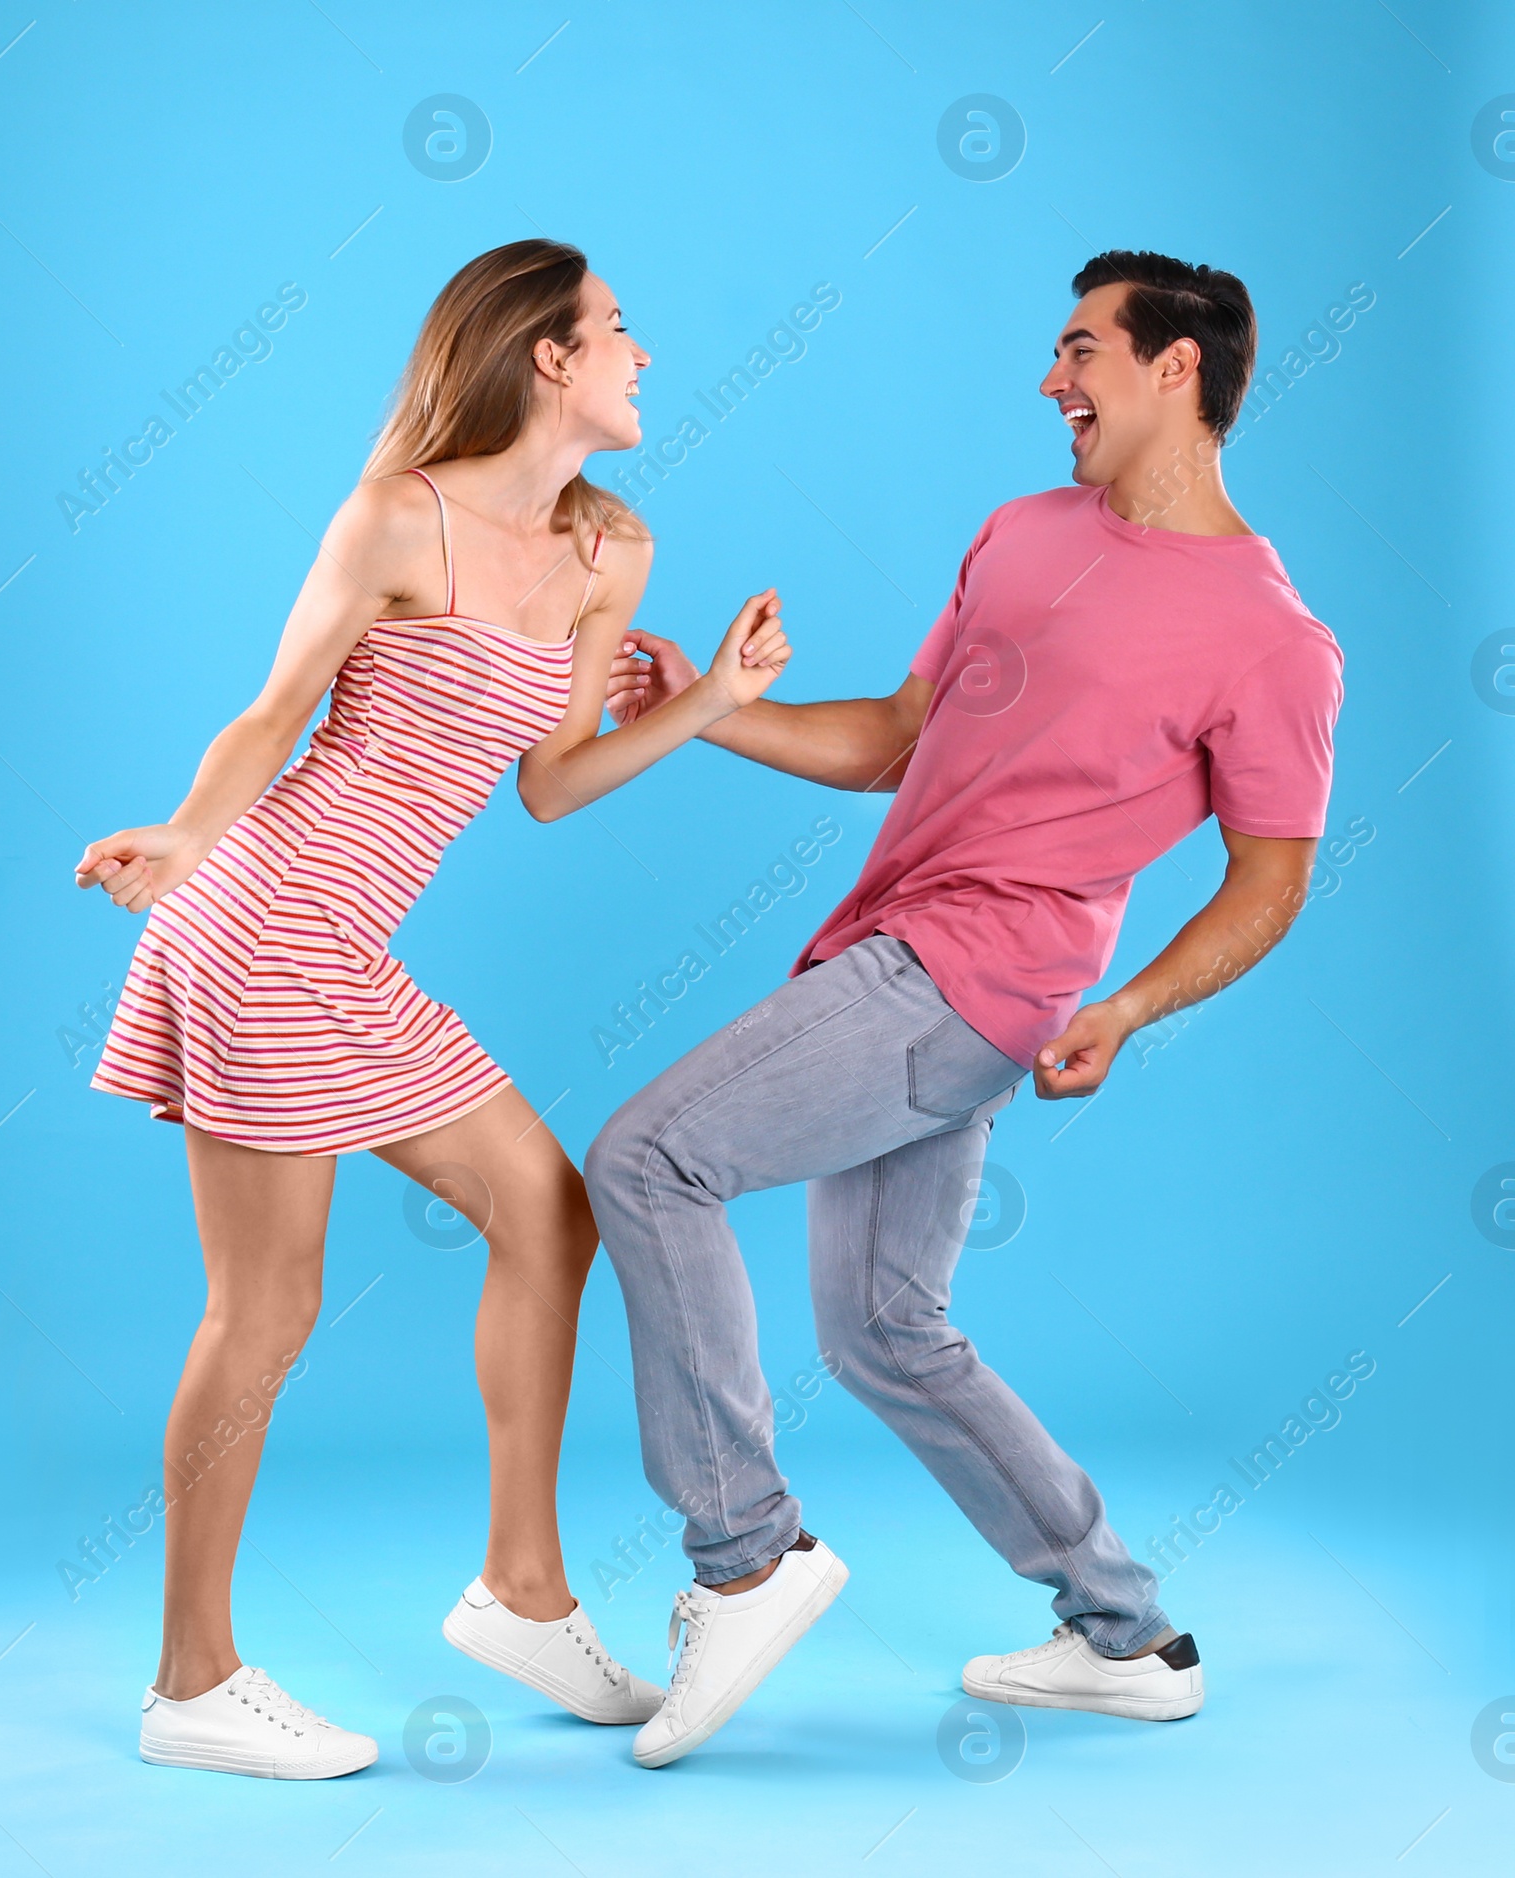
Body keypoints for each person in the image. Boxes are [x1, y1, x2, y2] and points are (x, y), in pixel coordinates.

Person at [586, 250, 1344, 1768]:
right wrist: (708, 706)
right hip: (898, 949)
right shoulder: (1020, 533)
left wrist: (1126, 1008)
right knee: (885, 1329)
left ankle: (744, 1553)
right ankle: (1129, 1633)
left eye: (1079, 350)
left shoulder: (1274, 637)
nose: (1052, 381)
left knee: (646, 1159)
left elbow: (1270, 882)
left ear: (1173, 369)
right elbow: (892, 740)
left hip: (964, 982)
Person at [74, 239, 791, 1779]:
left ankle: (523, 1588)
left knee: (551, 1209)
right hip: (261, 922)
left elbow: (546, 786)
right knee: (264, 1308)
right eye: (619, 329)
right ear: (547, 355)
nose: (642, 354)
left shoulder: (615, 554)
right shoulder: (397, 516)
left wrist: (717, 705)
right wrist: (189, 833)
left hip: (347, 953)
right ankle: (192, 1682)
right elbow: (275, 711)